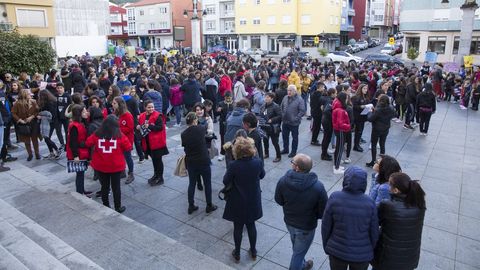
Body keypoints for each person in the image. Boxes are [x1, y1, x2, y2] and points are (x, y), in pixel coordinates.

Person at [275, 154, 328, 270]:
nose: (291, 164)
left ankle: (302, 265)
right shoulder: (318, 187)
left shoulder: (283, 181)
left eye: (292, 162)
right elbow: (323, 210)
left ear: (297, 168)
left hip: (289, 222)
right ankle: (300, 265)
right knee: (298, 253)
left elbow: (279, 200)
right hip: (306, 227)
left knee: (297, 248)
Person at [321, 166, 379, 270]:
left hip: (337, 251)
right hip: (361, 255)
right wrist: (370, 250)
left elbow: (326, 226)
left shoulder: (335, 197)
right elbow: (374, 232)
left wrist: (327, 246)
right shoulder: (370, 203)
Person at [222, 136, 265, 262]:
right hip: (253, 198)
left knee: (238, 227)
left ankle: (237, 252)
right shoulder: (257, 162)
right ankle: (253, 251)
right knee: (251, 225)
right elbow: (262, 175)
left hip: (237, 200)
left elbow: (225, 181)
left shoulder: (233, 165)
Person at [372, 172, 426, 270]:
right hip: (409, 258)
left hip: (387, 258)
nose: (388, 187)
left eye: (389, 184)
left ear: (396, 190)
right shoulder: (420, 205)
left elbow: (375, 221)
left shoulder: (387, 205)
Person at [86, 115, 132, 213]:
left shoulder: (97, 134)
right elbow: (128, 147)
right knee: (116, 187)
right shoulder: (120, 135)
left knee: (104, 187)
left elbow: (88, 143)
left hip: (100, 166)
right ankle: (118, 207)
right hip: (115, 166)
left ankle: (106, 204)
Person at [181, 112, 217, 214]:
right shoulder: (201, 129)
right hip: (203, 160)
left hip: (191, 162)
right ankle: (209, 205)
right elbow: (206, 129)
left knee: (192, 183)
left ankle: (191, 205)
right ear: (194, 120)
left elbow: (185, 145)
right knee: (207, 183)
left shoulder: (183, 134)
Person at [137, 100, 169, 185]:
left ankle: (160, 177)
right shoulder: (142, 115)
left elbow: (160, 128)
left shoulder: (157, 116)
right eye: (149, 107)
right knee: (154, 160)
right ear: (145, 108)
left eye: (152, 107)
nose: (151, 109)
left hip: (157, 143)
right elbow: (141, 125)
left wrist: (150, 126)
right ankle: (156, 175)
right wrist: (139, 126)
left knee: (158, 160)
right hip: (148, 142)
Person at [66, 105, 92, 196]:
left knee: (81, 172)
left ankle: (81, 190)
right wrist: (75, 156)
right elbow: (73, 142)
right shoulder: (74, 126)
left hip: (82, 151)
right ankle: (80, 192)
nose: (86, 113)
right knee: (80, 173)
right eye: (84, 112)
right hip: (79, 152)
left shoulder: (81, 123)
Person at [366, 95, 396, 167]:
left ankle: (373, 161)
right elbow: (394, 115)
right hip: (386, 128)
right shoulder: (391, 108)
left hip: (377, 128)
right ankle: (382, 161)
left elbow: (370, 119)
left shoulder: (378, 109)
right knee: (382, 144)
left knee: (374, 144)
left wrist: (370, 112)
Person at [12, 89, 40, 161]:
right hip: (24, 124)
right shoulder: (17, 103)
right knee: (27, 140)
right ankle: (30, 154)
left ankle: (37, 153)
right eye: (28, 94)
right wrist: (20, 120)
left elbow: (37, 111)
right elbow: (13, 113)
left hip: (33, 123)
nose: (30, 95)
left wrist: (32, 117)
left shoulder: (33, 101)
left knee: (35, 139)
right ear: (24, 95)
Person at [113, 96, 135, 184]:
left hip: (126, 141)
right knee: (120, 156)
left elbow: (130, 128)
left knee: (128, 157)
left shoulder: (127, 115)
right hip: (118, 140)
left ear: (120, 104)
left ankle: (131, 173)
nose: (112, 104)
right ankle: (122, 171)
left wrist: (117, 130)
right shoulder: (116, 113)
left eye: (114, 103)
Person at [281, 85, 306, 158]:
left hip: (294, 123)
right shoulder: (285, 97)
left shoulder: (299, 99)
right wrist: (282, 114)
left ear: (295, 91)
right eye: (288, 90)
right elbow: (281, 106)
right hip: (285, 121)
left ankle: (293, 151)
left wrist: (296, 118)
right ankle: (286, 149)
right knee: (284, 136)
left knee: (294, 138)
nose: (289, 92)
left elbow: (302, 111)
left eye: (290, 90)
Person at [37, 89, 61, 159]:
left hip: (51, 122)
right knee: (46, 138)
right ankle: (51, 153)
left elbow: (51, 115)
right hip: (49, 122)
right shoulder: (48, 101)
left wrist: (41, 117)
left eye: (40, 95)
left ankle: (57, 150)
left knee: (47, 138)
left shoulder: (50, 102)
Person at [259, 92, 282, 162]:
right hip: (265, 127)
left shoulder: (276, 106)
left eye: (268, 97)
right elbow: (261, 114)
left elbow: (280, 116)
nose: (266, 98)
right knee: (265, 141)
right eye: (265, 97)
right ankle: (266, 153)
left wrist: (272, 120)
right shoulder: (263, 106)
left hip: (273, 127)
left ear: (272, 98)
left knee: (275, 142)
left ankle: (278, 156)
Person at [332, 92, 351, 174]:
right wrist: (348, 126)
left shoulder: (337, 107)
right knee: (339, 149)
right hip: (341, 131)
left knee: (338, 148)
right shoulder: (340, 110)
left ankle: (336, 165)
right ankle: (336, 167)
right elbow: (340, 123)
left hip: (338, 130)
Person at [217, 91, 234, 161]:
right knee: (222, 137)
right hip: (223, 123)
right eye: (227, 98)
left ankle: (232, 152)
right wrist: (218, 110)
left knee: (232, 137)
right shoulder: (220, 103)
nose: (228, 100)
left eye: (229, 98)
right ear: (224, 98)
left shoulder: (234, 104)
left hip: (230, 124)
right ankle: (222, 153)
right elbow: (216, 113)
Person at [351, 84, 369, 152]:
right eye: (364, 89)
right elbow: (354, 106)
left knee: (360, 131)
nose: (365, 90)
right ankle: (356, 145)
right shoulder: (356, 97)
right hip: (357, 117)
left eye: (366, 89)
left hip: (363, 116)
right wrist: (361, 107)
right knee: (358, 131)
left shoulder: (365, 97)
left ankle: (357, 144)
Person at [321, 88, 336, 161]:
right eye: (335, 93)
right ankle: (323, 154)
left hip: (326, 121)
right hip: (327, 122)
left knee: (327, 138)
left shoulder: (329, 99)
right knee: (326, 138)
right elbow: (326, 111)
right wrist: (333, 117)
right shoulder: (330, 100)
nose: (336, 94)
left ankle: (325, 153)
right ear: (332, 94)